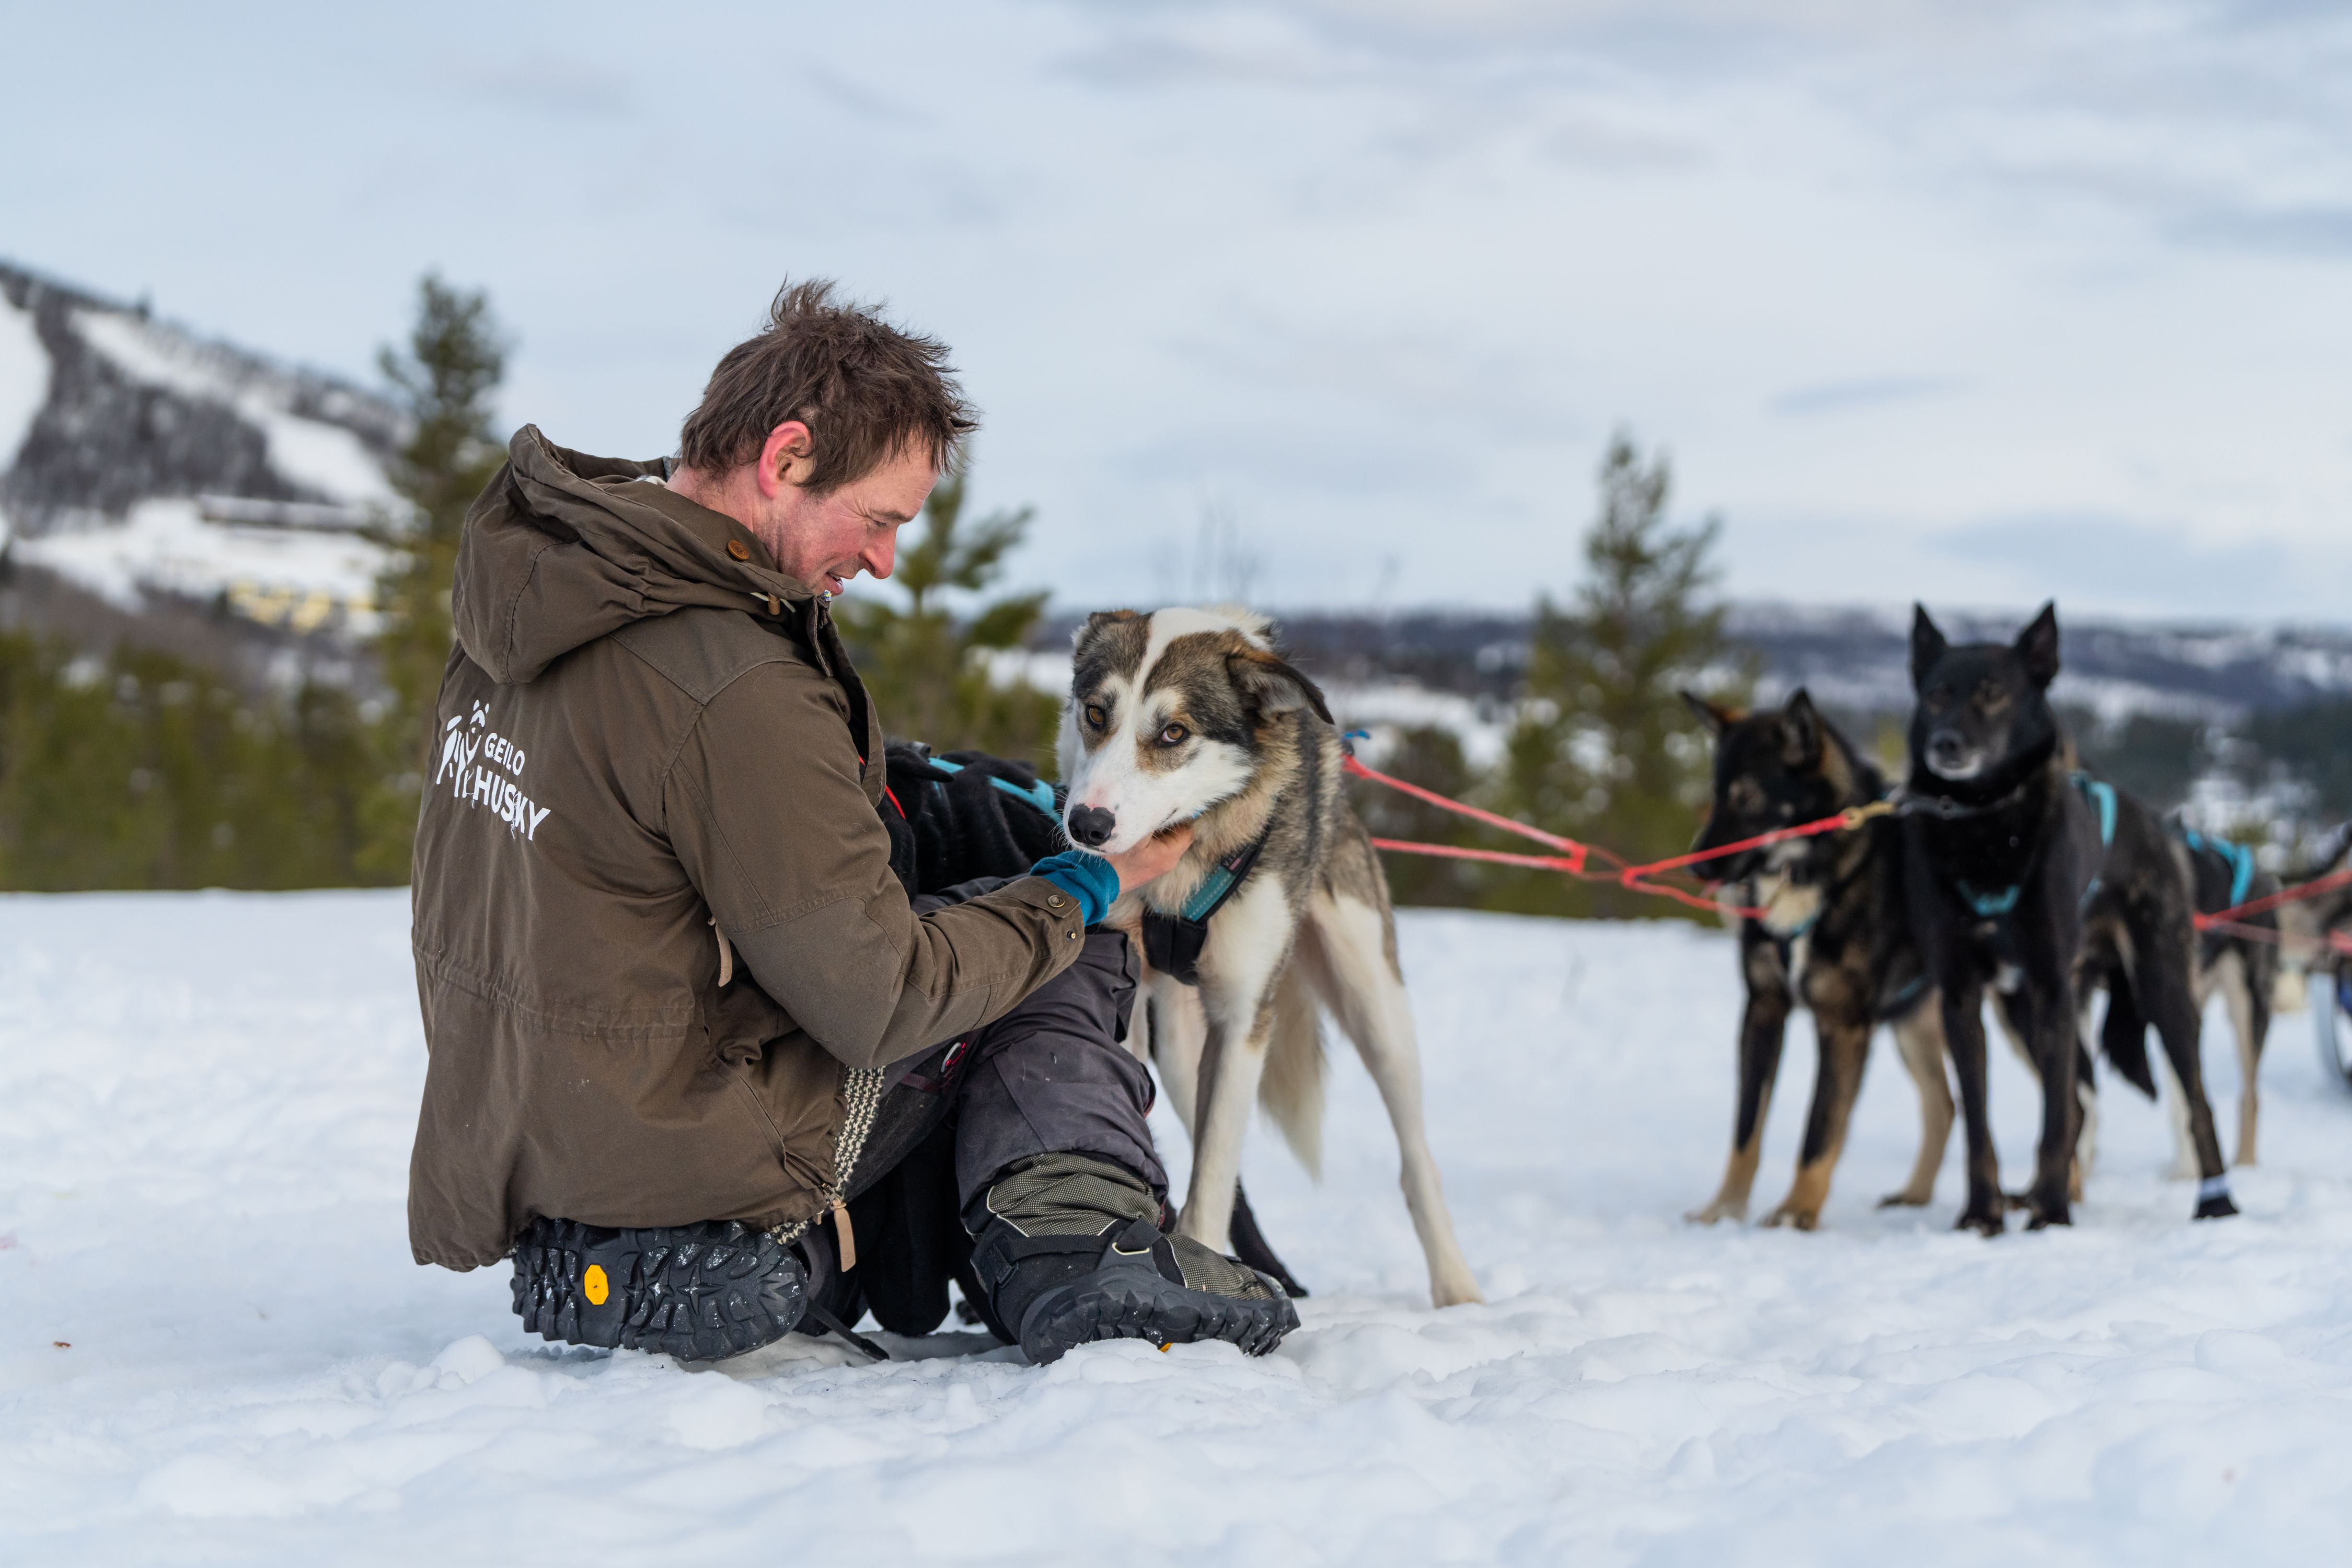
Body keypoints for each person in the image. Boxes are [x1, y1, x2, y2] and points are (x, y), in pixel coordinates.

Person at [405, 281, 1296, 1364]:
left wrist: (896, 789)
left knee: (955, 907)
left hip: (540, 1122)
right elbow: (885, 999)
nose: (881, 561)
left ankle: (733, 1261)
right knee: (1055, 946)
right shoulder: (730, 679)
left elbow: (644, 822)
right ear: (783, 459)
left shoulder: (549, 587)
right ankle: (1077, 1247)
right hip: (680, 1132)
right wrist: (1082, 888)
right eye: (877, 520)